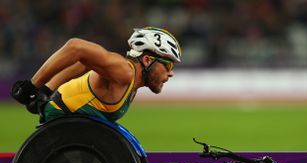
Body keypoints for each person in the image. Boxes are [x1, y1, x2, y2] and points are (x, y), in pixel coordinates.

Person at [10, 27, 181, 123]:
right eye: (167, 65)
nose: (171, 73)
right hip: (63, 122)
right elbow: (75, 47)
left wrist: (47, 89)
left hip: (68, 119)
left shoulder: (128, 77)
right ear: (146, 59)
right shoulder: (124, 72)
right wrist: (32, 86)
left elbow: (84, 64)